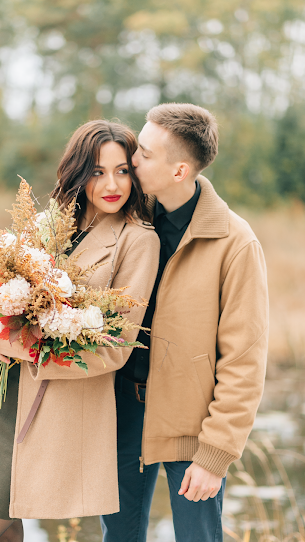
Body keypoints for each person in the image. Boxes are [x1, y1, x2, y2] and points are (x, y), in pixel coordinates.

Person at [0, 120, 160, 542]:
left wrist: (26, 347)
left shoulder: (138, 240)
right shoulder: (48, 220)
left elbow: (117, 347)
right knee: (6, 525)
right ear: (77, 171)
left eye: (122, 170)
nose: (112, 183)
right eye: (97, 171)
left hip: (48, 407)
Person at [101, 103, 269, 542]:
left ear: (179, 171)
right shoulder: (125, 219)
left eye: (145, 154)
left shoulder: (236, 243)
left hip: (193, 427)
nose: (131, 160)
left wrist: (216, 455)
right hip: (120, 411)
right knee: (118, 537)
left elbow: (245, 362)